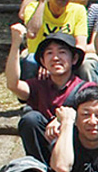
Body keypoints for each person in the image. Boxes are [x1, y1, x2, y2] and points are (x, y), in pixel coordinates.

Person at [7, 28, 88, 163]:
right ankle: (40, 169)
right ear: (43, 61)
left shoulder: (86, 89)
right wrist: (15, 44)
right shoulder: (38, 85)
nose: (55, 58)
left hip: (74, 154)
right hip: (45, 150)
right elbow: (13, 84)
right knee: (30, 119)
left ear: (74, 59)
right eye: (49, 53)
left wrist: (62, 120)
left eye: (62, 52)